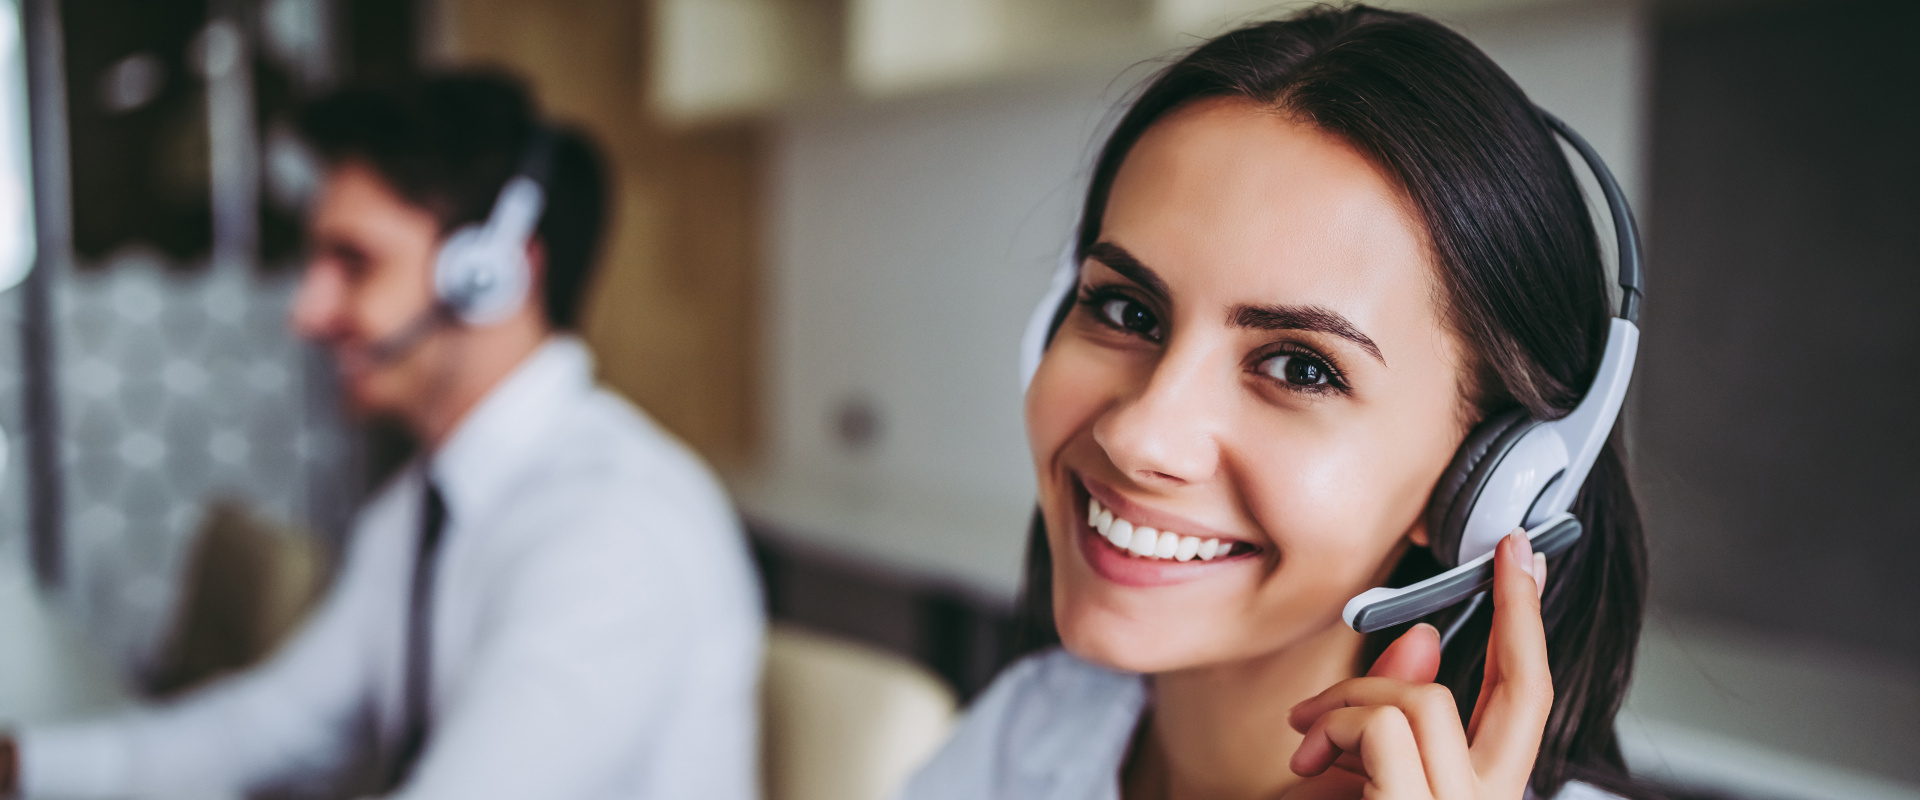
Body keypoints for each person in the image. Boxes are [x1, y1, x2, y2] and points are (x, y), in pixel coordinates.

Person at [901, 7, 1653, 800]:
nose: (1139, 436)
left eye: (1299, 367)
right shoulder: (1031, 733)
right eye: (1128, 311)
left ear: (1496, 480)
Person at [0, 73, 764, 799]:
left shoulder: (612, 530)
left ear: (492, 275)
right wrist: (20, 765)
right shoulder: (420, 508)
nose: (306, 311)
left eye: (354, 263)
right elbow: (267, 728)